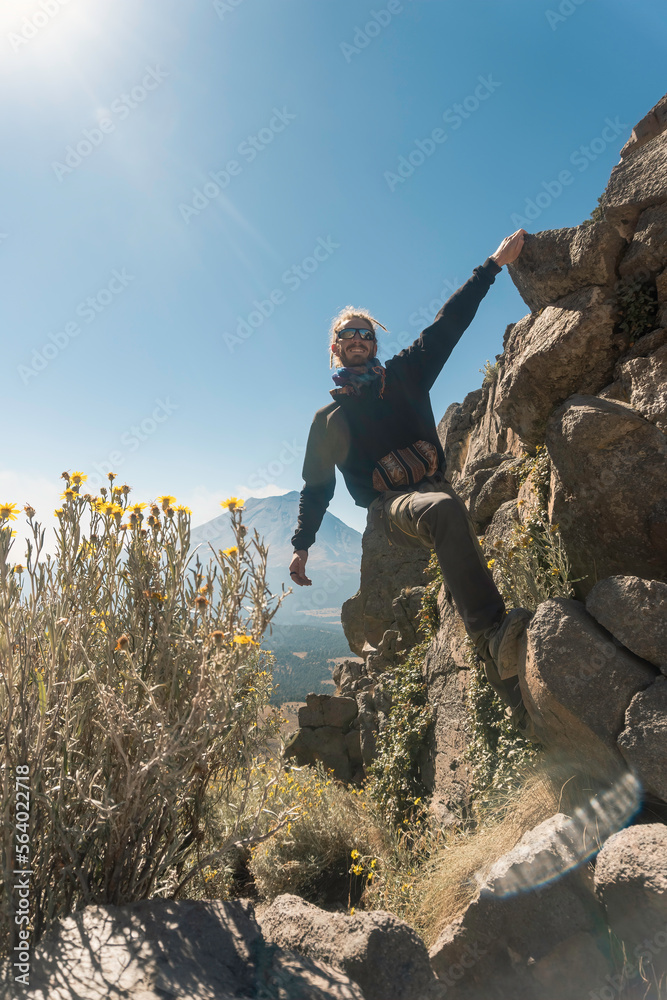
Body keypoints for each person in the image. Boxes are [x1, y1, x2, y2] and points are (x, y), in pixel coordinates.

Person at [288, 230, 531, 725]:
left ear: (375, 343)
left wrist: (491, 266)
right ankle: (492, 637)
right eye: (347, 335)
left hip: (434, 485)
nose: (357, 340)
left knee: (444, 505)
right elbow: (318, 487)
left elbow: (449, 323)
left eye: (365, 334)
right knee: (441, 509)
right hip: (391, 509)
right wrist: (301, 543)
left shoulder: (406, 374)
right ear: (335, 349)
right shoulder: (328, 420)